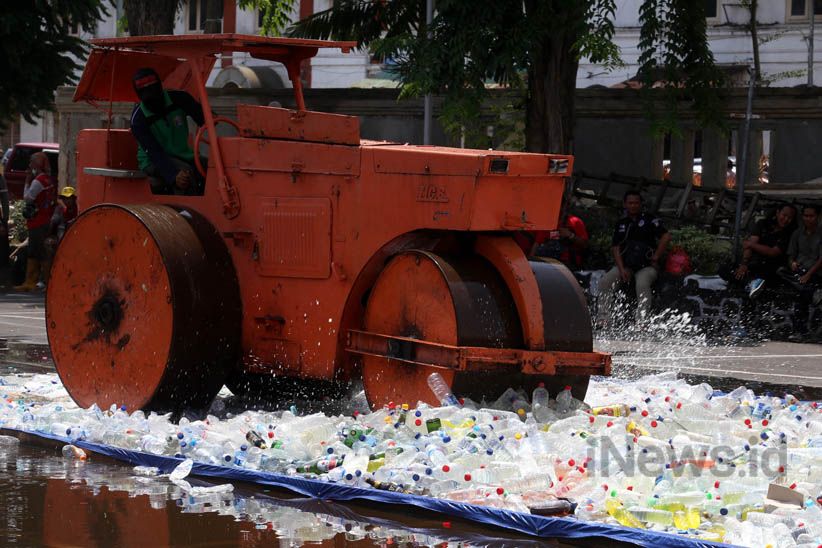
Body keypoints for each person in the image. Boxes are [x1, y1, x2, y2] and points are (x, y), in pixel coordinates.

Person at [597, 190, 671, 325]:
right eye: (630, 203)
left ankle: (641, 321)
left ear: (641, 204)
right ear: (625, 204)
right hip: (625, 265)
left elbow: (666, 236)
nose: (633, 206)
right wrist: (621, 269)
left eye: (636, 203)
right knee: (605, 282)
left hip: (646, 266)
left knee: (642, 284)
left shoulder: (649, 219)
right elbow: (616, 247)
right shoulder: (622, 223)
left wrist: (656, 256)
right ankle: (603, 318)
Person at [130, 67, 206, 195]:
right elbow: (153, 152)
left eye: (153, 88)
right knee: (185, 174)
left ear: (160, 86)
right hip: (151, 160)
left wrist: (210, 117)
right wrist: (172, 174)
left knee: (208, 166)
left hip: (182, 154)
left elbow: (203, 117)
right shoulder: (138, 119)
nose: (152, 96)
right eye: (146, 92)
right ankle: (186, 211)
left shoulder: (179, 98)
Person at [721, 204, 797, 298]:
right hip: (753, 262)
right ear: (778, 213)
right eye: (784, 215)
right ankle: (750, 283)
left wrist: (752, 245)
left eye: (789, 218)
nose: (786, 220)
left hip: (771, 267)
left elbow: (773, 252)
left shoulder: (790, 233)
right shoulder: (763, 224)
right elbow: (749, 245)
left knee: (762, 275)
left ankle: (751, 286)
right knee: (726, 269)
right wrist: (744, 264)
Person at [14, 152, 55, 291]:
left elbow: (28, 198)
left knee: (38, 251)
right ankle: (33, 281)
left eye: (32, 163)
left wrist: (27, 181)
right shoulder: (47, 179)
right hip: (44, 219)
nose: (30, 166)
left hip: (37, 221)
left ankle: (39, 282)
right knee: (36, 250)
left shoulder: (38, 181)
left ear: (37, 165)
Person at [779, 205, 822, 339]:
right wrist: (792, 262)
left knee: (801, 295)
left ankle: (800, 331)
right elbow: (791, 255)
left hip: (815, 272)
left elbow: (821, 259)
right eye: (805, 216)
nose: (808, 219)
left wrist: (808, 275)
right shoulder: (797, 233)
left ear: (818, 217)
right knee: (781, 271)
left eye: (811, 216)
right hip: (799, 271)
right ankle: (811, 291)